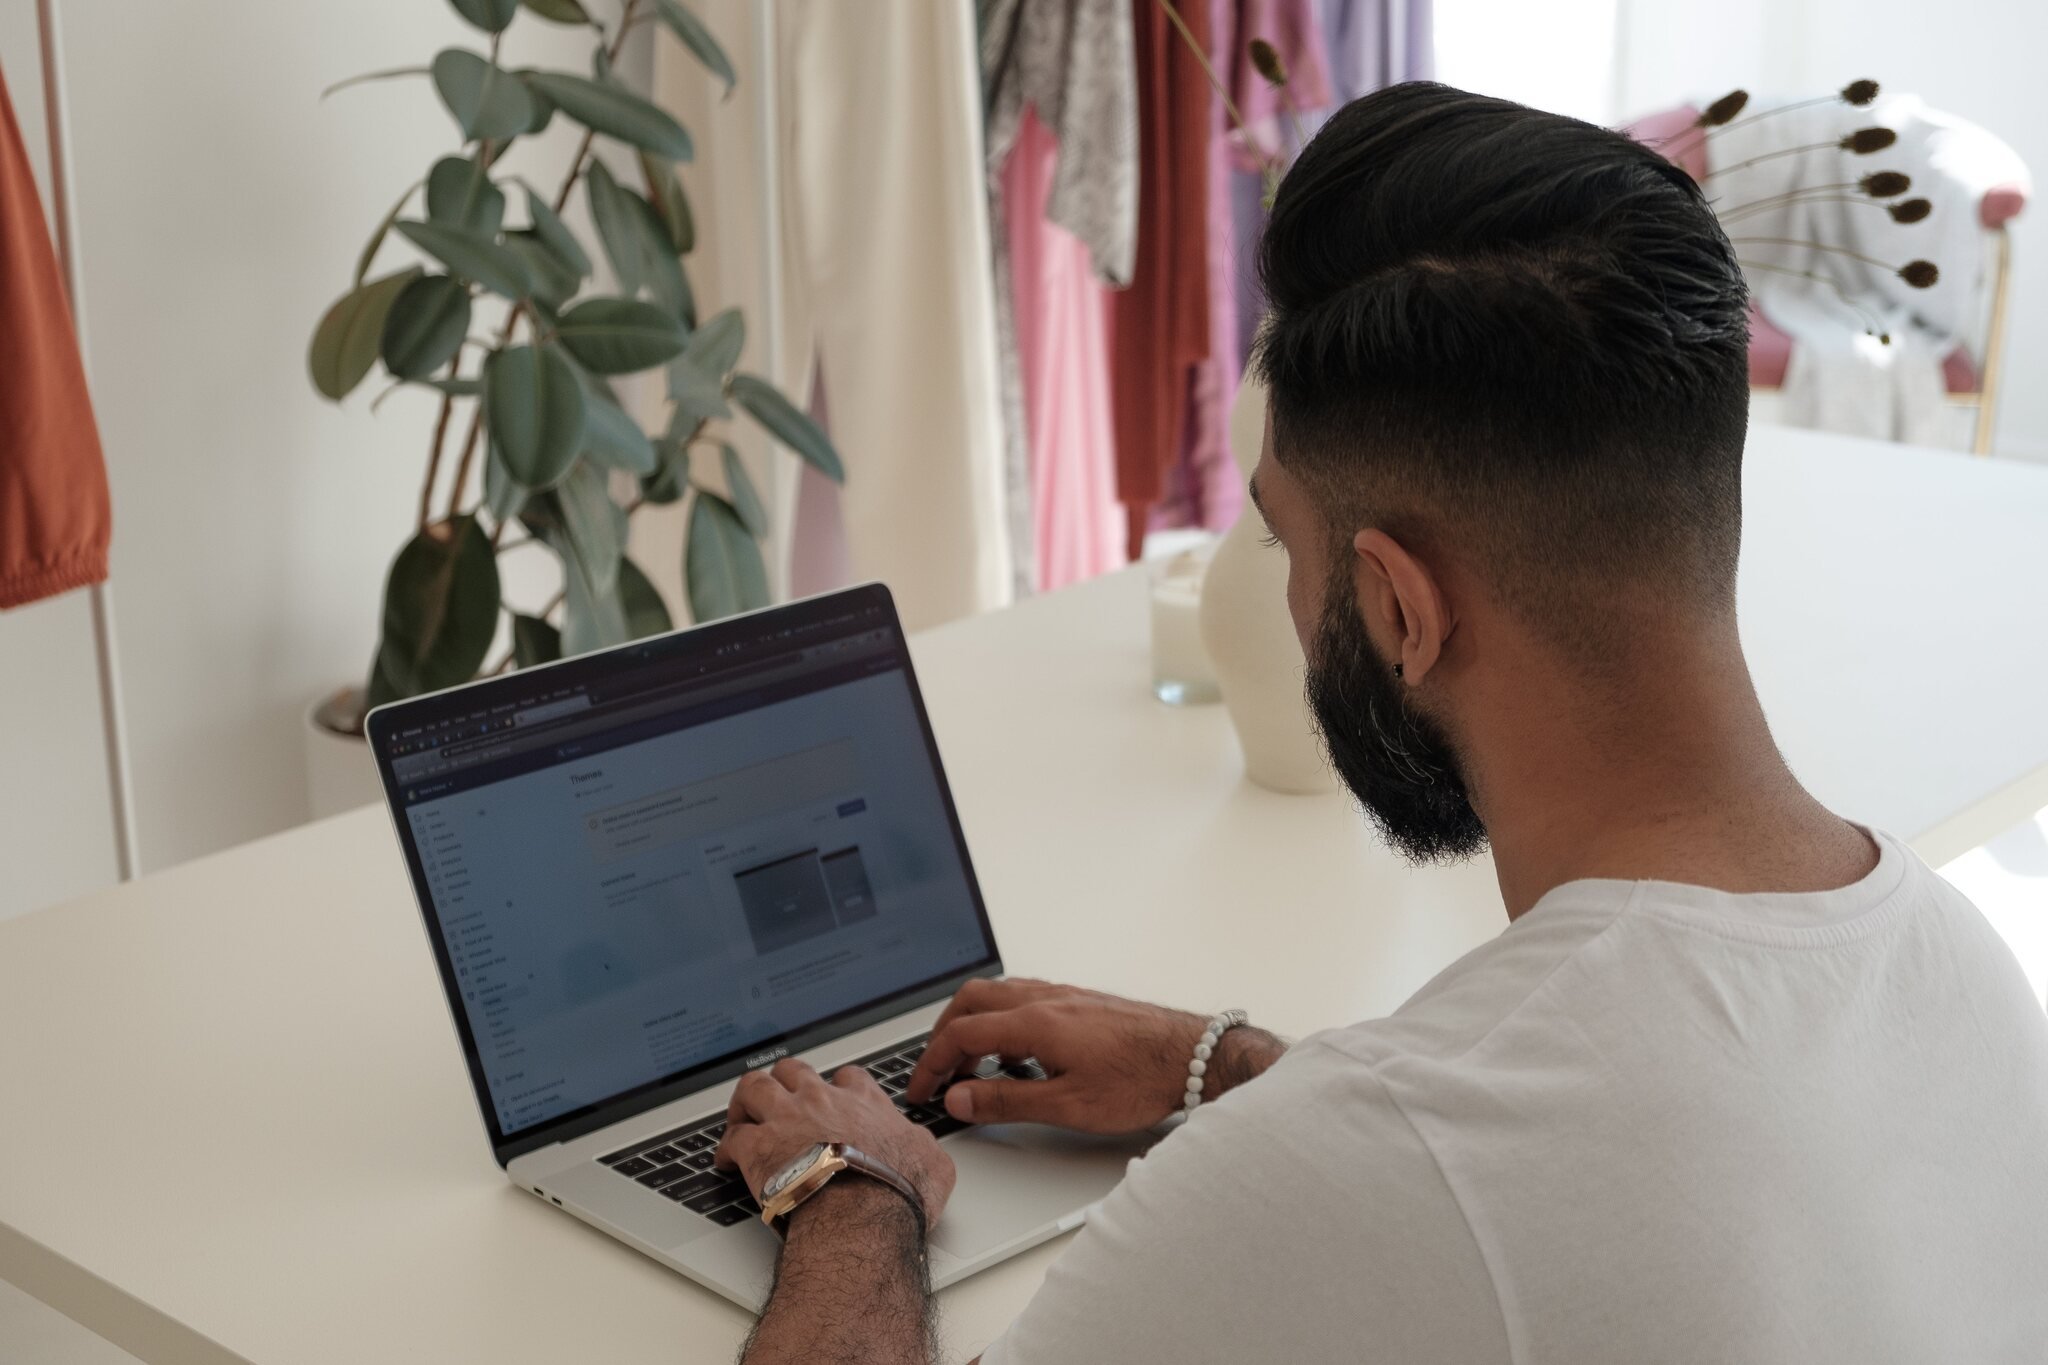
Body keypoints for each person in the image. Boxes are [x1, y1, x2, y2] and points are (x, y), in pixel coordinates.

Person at [712, 83, 2048, 1364]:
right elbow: (1555, 1184)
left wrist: (853, 1189)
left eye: (1281, 534)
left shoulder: (1351, 1170)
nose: (1286, 595)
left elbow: (1443, 1179)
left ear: (1402, 607)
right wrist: (1226, 1069)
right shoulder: (1961, 968)